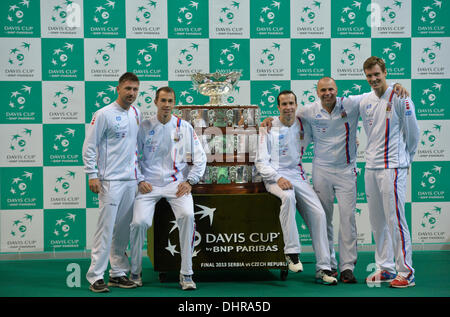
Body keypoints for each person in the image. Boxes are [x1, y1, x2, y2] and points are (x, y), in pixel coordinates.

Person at [261, 78, 409, 284]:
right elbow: (285, 117)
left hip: (346, 170)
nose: (327, 93)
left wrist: (395, 86)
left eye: (331, 89)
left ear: (336, 90)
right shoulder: (307, 111)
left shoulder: (351, 103)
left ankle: (347, 267)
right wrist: (269, 120)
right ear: (317, 92)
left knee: (348, 219)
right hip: (321, 171)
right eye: (323, 90)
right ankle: (328, 265)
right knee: (324, 218)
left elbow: (377, 89)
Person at [255, 90, 338, 285]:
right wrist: (277, 177)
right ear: (278, 107)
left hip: (298, 176)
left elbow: (327, 136)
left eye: (291, 103)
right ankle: (292, 253)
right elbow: (260, 162)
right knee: (288, 197)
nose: (288, 107)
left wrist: (350, 142)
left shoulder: (304, 124)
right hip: (273, 176)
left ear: (296, 104)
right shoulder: (267, 128)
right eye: (284, 104)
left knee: (319, 214)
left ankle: (324, 268)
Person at [129, 87, 206, 290]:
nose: (166, 104)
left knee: (188, 216)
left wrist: (190, 181)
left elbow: (200, 158)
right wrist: (139, 180)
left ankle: (186, 274)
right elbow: (132, 158)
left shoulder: (184, 127)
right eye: (163, 100)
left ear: (174, 103)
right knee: (138, 223)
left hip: (175, 184)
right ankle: (135, 272)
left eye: (170, 101)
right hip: (148, 185)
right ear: (155, 102)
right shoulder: (144, 127)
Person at [361, 57, 420, 288]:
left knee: (395, 220)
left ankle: (406, 271)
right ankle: (385, 268)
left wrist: (405, 160)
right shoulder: (365, 100)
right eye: (369, 76)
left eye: (377, 74)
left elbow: (413, 134)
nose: (374, 79)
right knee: (377, 221)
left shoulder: (400, 97)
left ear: (385, 72)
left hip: (392, 167)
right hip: (371, 167)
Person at [82, 72, 142, 293]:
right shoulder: (103, 114)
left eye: (135, 89)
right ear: (118, 89)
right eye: (128, 89)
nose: (131, 93)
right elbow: (89, 146)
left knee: (123, 230)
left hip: (130, 181)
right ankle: (96, 276)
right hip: (109, 181)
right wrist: (92, 174)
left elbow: (136, 148)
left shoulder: (137, 112)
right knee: (105, 229)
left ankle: (117, 273)